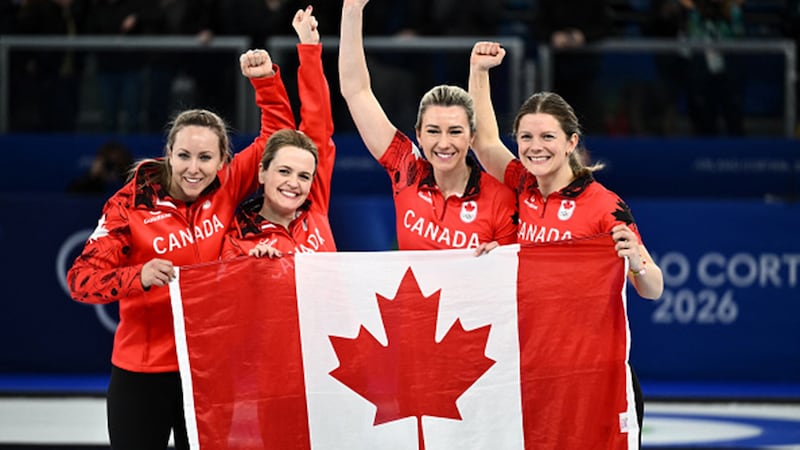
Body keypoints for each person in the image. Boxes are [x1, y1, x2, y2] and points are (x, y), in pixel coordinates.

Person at [66, 46, 293, 449]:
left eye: (205, 158)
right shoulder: (129, 205)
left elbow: (278, 141)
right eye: (184, 155)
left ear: (222, 161)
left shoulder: (226, 185)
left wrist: (264, 82)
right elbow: (81, 280)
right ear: (168, 154)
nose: (193, 168)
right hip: (142, 372)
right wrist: (138, 276)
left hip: (208, 371)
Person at [469, 41, 665, 444]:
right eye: (526, 137)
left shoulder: (604, 206)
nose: (535, 147)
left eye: (547, 136)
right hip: (539, 375)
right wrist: (479, 71)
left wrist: (636, 261)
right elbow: (484, 142)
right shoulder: (523, 186)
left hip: (597, 380)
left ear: (571, 142)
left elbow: (653, 288)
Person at [338, 0, 518, 255]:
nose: (443, 143)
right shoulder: (407, 170)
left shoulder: (500, 198)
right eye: (433, 131)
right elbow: (356, 91)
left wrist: (500, 260)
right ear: (419, 135)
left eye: (455, 131)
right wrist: (352, 11)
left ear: (472, 137)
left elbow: (514, 272)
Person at [222, 5, 337, 259]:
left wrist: (310, 48)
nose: (294, 183)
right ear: (262, 172)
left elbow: (319, 123)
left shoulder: (314, 205)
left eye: (304, 176)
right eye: (284, 171)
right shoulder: (238, 237)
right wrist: (252, 267)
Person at [66, 140, 134, 195]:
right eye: (109, 165)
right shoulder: (89, 185)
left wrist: (124, 177)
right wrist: (92, 177)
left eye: (119, 165)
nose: (114, 170)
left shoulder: (133, 185)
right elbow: (72, 196)